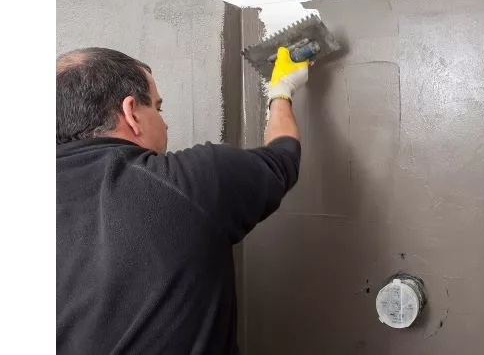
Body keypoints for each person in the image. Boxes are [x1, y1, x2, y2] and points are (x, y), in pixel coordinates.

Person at [56, 46, 308, 354]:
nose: (163, 124)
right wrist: (281, 91)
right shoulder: (187, 182)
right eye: (158, 109)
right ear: (132, 112)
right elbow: (282, 157)